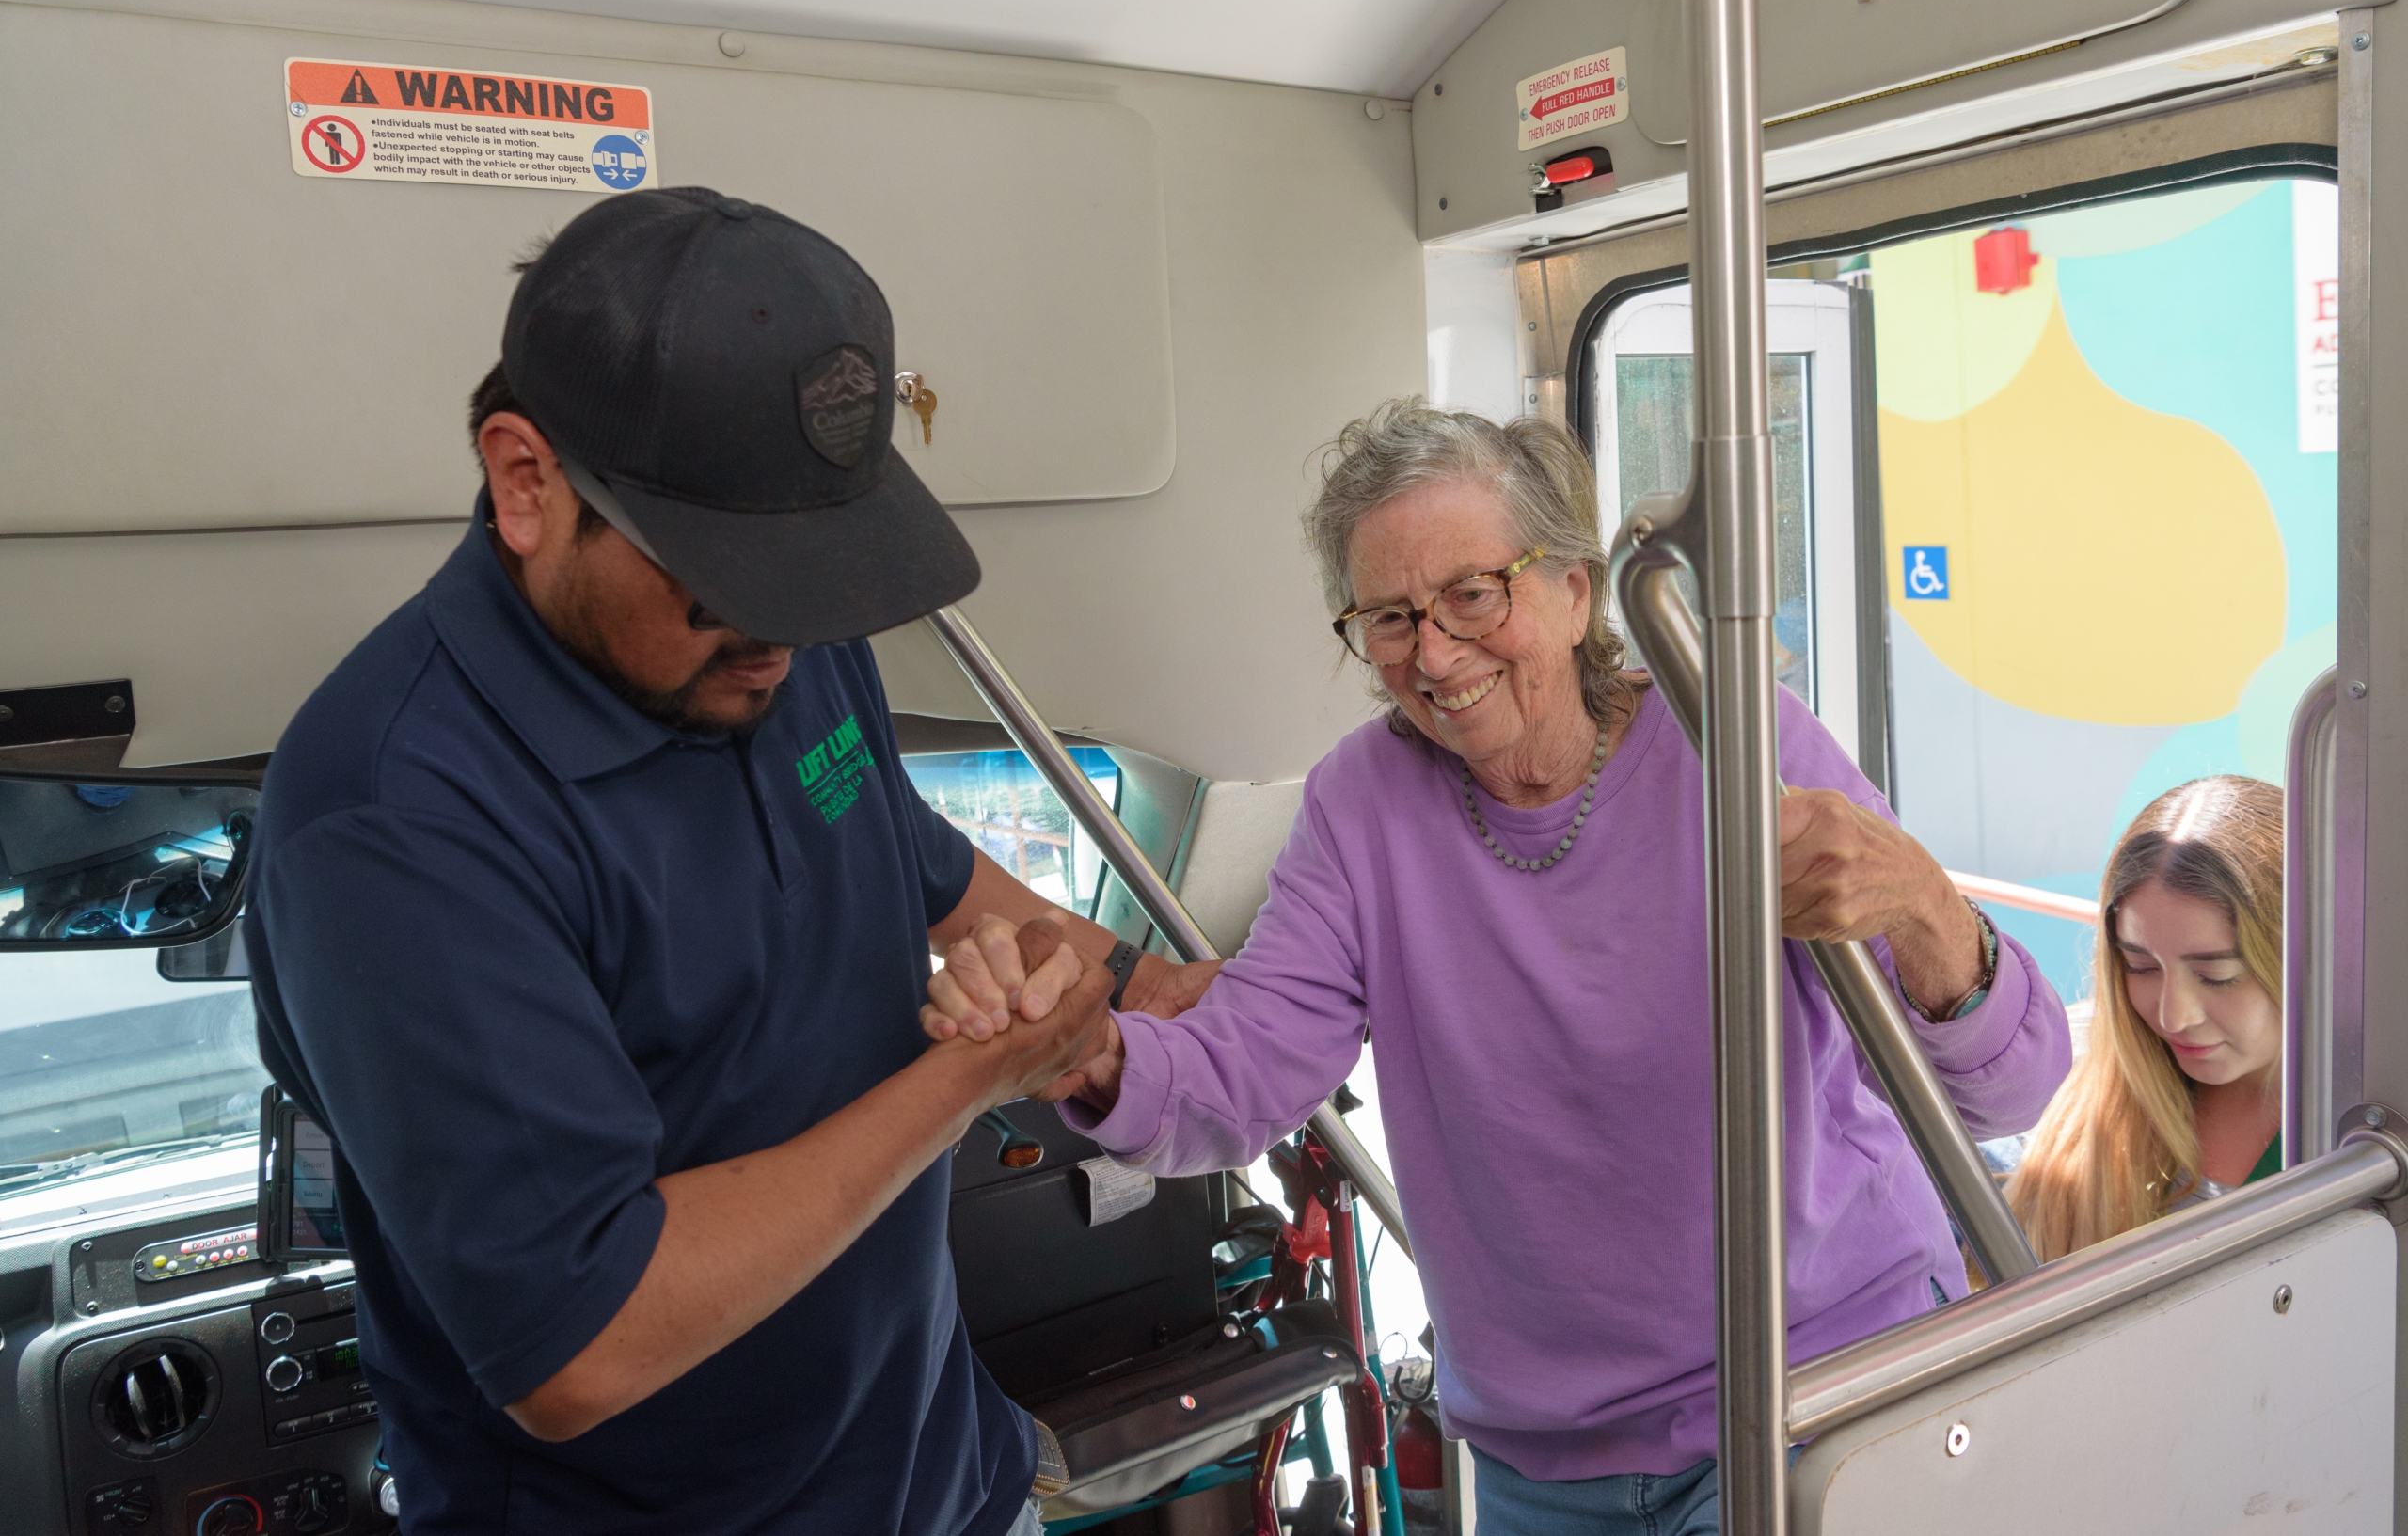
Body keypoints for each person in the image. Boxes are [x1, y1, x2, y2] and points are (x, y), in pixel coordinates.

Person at [923, 402, 2071, 1536]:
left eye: (1472, 593)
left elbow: (2005, 1090)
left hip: (1812, 1390)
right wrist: (1096, 1054)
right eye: (1387, 616)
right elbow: (1247, 1064)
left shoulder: (1732, 744)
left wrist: (1922, 903)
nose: (1432, 651)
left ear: (1575, 591)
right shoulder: (1361, 803)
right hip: (1548, 1463)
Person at [246, 186, 1207, 1534]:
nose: (785, 645)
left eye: (815, 585)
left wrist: (1139, 982)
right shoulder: (393, 822)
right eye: (730, 586)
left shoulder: (775, 645)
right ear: (529, 484)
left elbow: (900, 851)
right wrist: (970, 1078)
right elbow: (581, 1343)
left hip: (950, 1481)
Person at [2006, 776, 2286, 1260]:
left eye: (2217, 975)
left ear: (2303, 956)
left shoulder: (2371, 1119)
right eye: (2141, 967)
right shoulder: (2061, 1070)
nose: (2173, 1016)